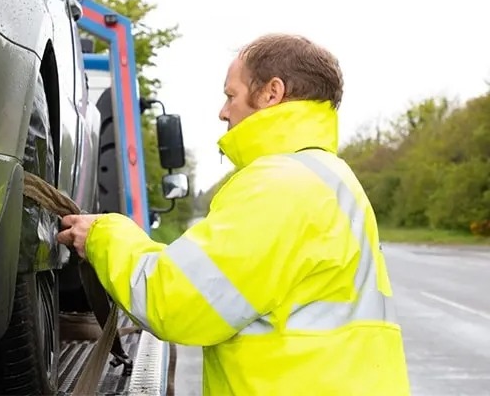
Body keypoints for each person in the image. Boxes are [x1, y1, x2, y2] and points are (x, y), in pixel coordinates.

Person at [57, 33, 411, 396]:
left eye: (231, 95)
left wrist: (104, 235)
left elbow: (175, 302)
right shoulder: (332, 177)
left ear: (271, 93)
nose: (223, 112)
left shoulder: (279, 185)